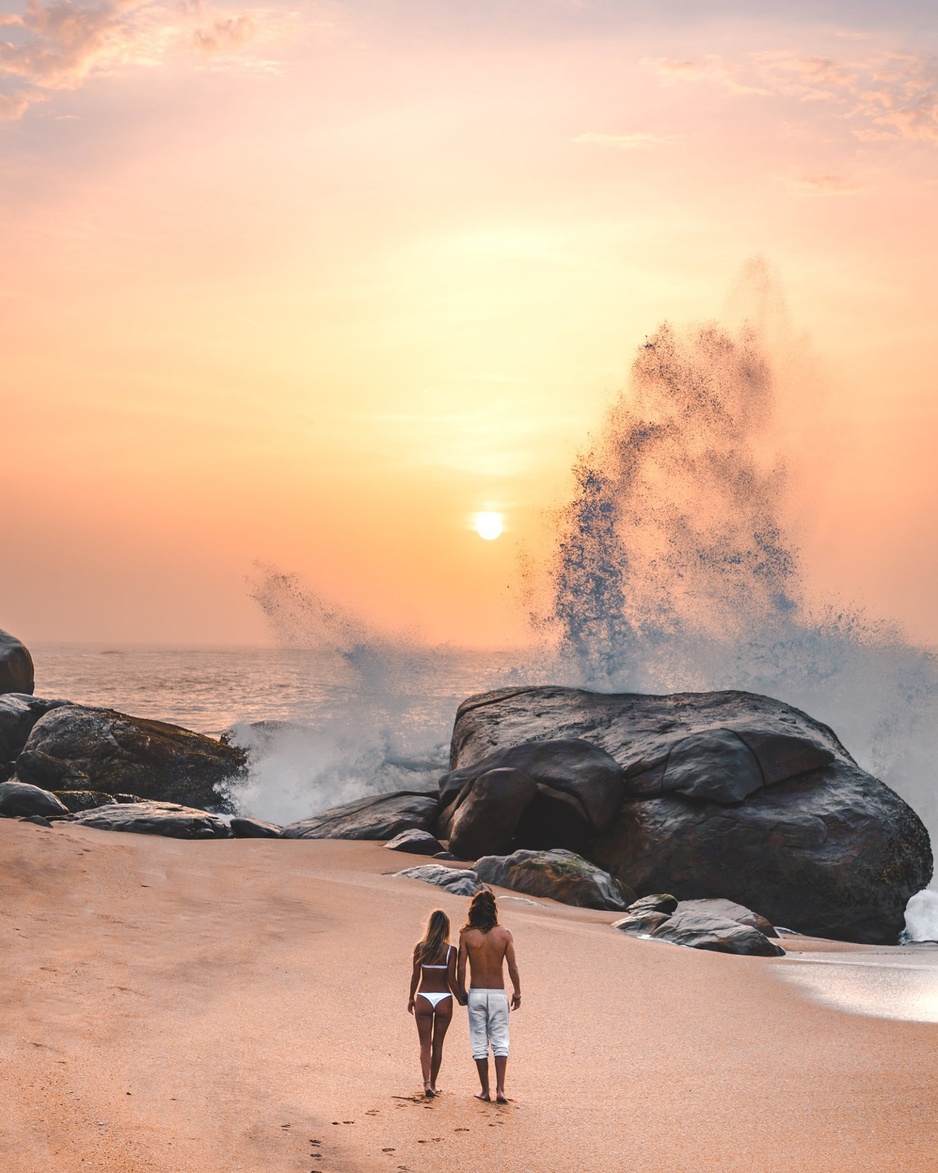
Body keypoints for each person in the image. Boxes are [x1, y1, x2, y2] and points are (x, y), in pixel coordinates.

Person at [457, 889, 521, 1104]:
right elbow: (512, 966)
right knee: (500, 1041)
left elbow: (461, 968)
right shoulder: (504, 934)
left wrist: (461, 992)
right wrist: (518, 992)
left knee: (479, 1042)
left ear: (473, 909)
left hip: (476, 993)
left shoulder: (467, 935)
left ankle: (485, 1090)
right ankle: (501, 1089)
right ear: (494, 909)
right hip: (497, 994)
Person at [408, 909, 458, 1097]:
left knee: (424, 1044)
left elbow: (415, 976)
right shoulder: (451, 951)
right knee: (438, 1045)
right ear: (446, 928)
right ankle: (435, 1084)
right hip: (444, 997)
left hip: (424, 997)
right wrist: (462, 997)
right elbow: (451, 979)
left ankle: (426, 1083)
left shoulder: (420, 948)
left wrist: (411, 997)